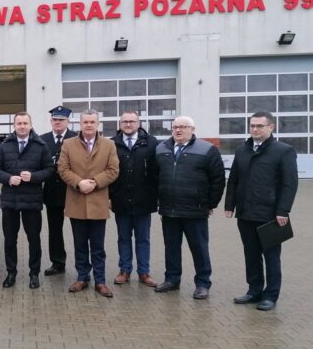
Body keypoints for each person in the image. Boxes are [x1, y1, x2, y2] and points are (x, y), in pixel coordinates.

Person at [224, 112, 298, 311]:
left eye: (259, 126)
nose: (255, 129)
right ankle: (254, 290)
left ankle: (271, 295)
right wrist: (229, 205)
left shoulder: (284, 151)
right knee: (251, 254)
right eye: (252, 126)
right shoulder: (242, 150)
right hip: (246, 213)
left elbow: (289, 184)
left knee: (271, 256)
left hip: (271, 215)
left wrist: (283, 210)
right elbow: (234, 180)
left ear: (271, 127)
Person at [154, 116, 225, 299]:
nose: (178, 130)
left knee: (199, 248)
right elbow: (155, 178)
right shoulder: (161, 149)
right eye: (175, 127)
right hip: (169, 210)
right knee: (171, 248)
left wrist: (210, 204)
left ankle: (202, 283)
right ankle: (172, 279)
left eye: (183, 127)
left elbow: (217, 180)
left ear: (192, 129)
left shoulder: (207, 149)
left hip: (195, 210)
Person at [58, 109, 119, 297]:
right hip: (76, 202)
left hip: (98, 203)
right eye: (86, 122)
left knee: (98, 246)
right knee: (80, 244)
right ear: (80, 124)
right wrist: (78, 182)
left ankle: (100, 281)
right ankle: (82, 277)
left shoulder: (109, 145)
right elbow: (62, 168)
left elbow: (113, 170)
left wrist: (94, 182)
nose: (89, 125)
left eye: (92, 122)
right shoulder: (68, 144)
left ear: (98, 124)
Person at [0, 112, 53, 289]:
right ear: (14, 126)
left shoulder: (41, 146)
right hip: (10, 201)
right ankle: (11, 273)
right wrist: (9, 178)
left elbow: (49, 170)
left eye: (25, 123)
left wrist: (33, 177)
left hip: (32, 202)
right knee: (10, 240)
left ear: (30, 125)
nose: (22, 126)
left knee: (34, 239)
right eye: (19, 123)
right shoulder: (5, 146)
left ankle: (34, 274)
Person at [109, 111, 158, 287]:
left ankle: (144, 272)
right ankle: (125, 270)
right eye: (125, 121)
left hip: (143, 201)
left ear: (139, 123)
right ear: (120, 123)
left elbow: (157, 172)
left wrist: (155, 196)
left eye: (132, 121)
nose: (128, 124)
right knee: (123, 237)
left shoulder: (151, 143)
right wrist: (110, 195)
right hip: (120, 199)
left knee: (143, 238)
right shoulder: (112, 143)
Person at [40, 105, 77, 277]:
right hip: (52, 192)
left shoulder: (77, 138)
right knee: (55, 230)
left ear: (68, 121)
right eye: (55, 120)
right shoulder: (42, 140)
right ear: (51, 121)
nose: (58, 123)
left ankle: (82, 264)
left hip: (73, 191)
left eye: (61, 120)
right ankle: (57, 262)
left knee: (79, 230)